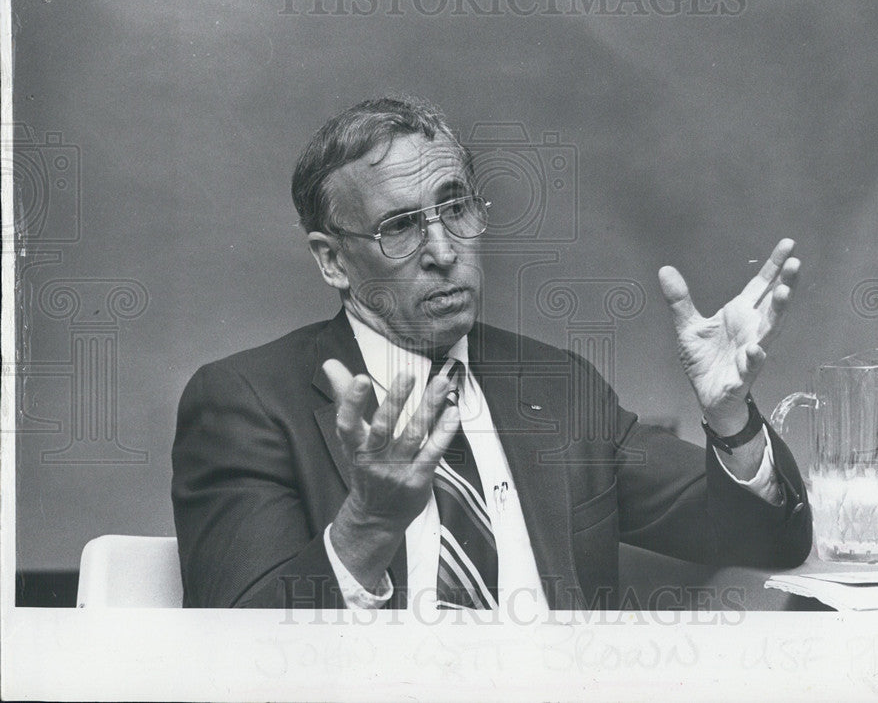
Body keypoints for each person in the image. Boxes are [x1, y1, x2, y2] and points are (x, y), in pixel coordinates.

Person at [171, 96, 811, 613]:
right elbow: (237, 649)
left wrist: (732, 421)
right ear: (333, 259)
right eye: (400, 227)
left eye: (456, 208)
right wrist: (366, 526)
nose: (443, 250)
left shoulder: (559, 388)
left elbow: (770, 540)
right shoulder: (246, 402)